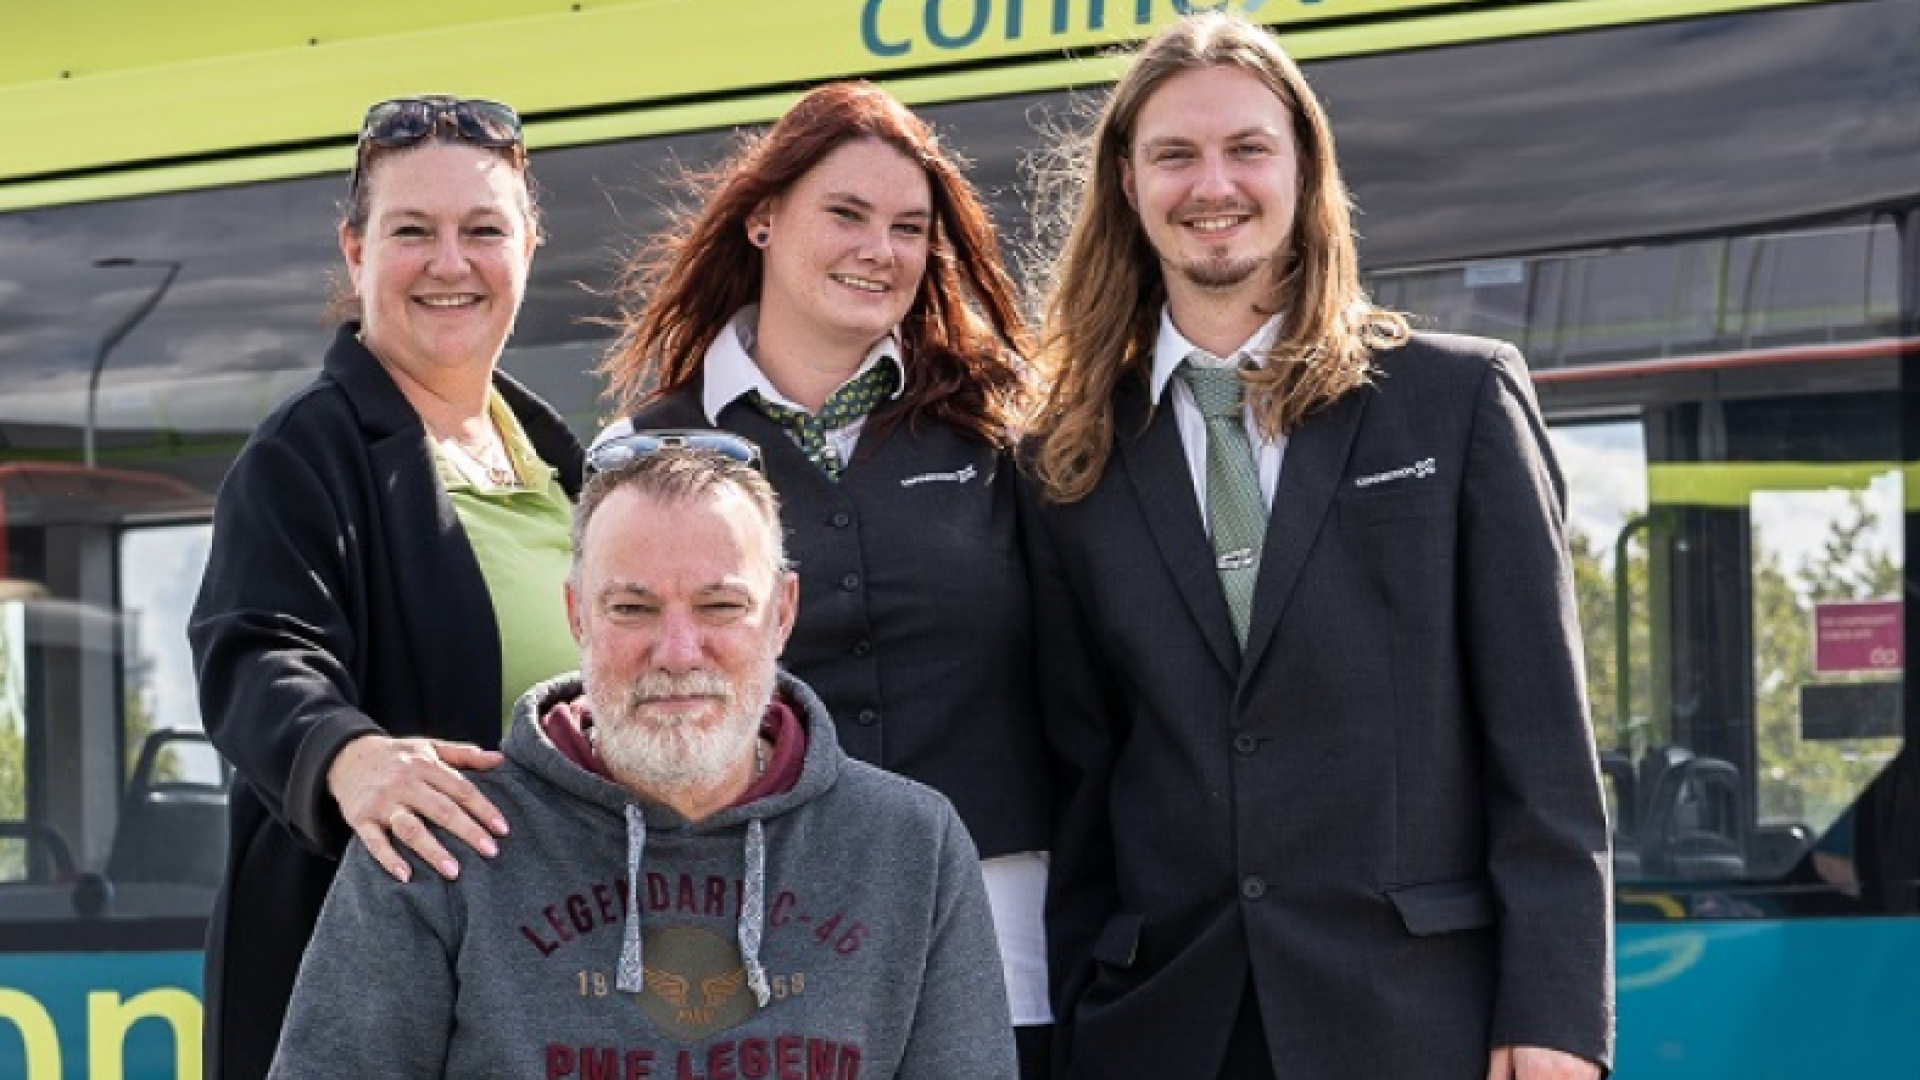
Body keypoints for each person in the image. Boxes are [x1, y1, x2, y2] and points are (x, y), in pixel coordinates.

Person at [1021, 13, 1613, 1080]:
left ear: (1304, 168)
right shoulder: (1070, 457)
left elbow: (1545, 748)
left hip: (1420, 1021)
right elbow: (1081, 773)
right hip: (1158, 1030)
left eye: (1248, 148)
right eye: (1175, 154)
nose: (1215, 184)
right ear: (1126, 182)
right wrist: (1075, 1022)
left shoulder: (1456, 400)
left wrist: (1559, 1015)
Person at [268, 442, 1017, 1078]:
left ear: (782, 614)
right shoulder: (442, 836)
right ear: (576, 616)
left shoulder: (912, 846)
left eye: (721, 607)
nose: (678, 652)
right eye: (633, 608)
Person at [597, 80, 1055, 1072]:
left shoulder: (997, 433)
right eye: (844, 213)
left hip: (1003, 937)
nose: (877, 250)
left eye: (907, 228)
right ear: (763, 220)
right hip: (754, 943)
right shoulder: (648, 449)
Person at [189, 96, 584, 1079]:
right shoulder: (306, 451)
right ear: (357, 250)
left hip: (558, 988)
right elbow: (254, 651)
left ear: (528, 246)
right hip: (381, 998)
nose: (451, 263)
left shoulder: (566, 462)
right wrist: (348, 756)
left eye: (484, 230)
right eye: (414, 231)